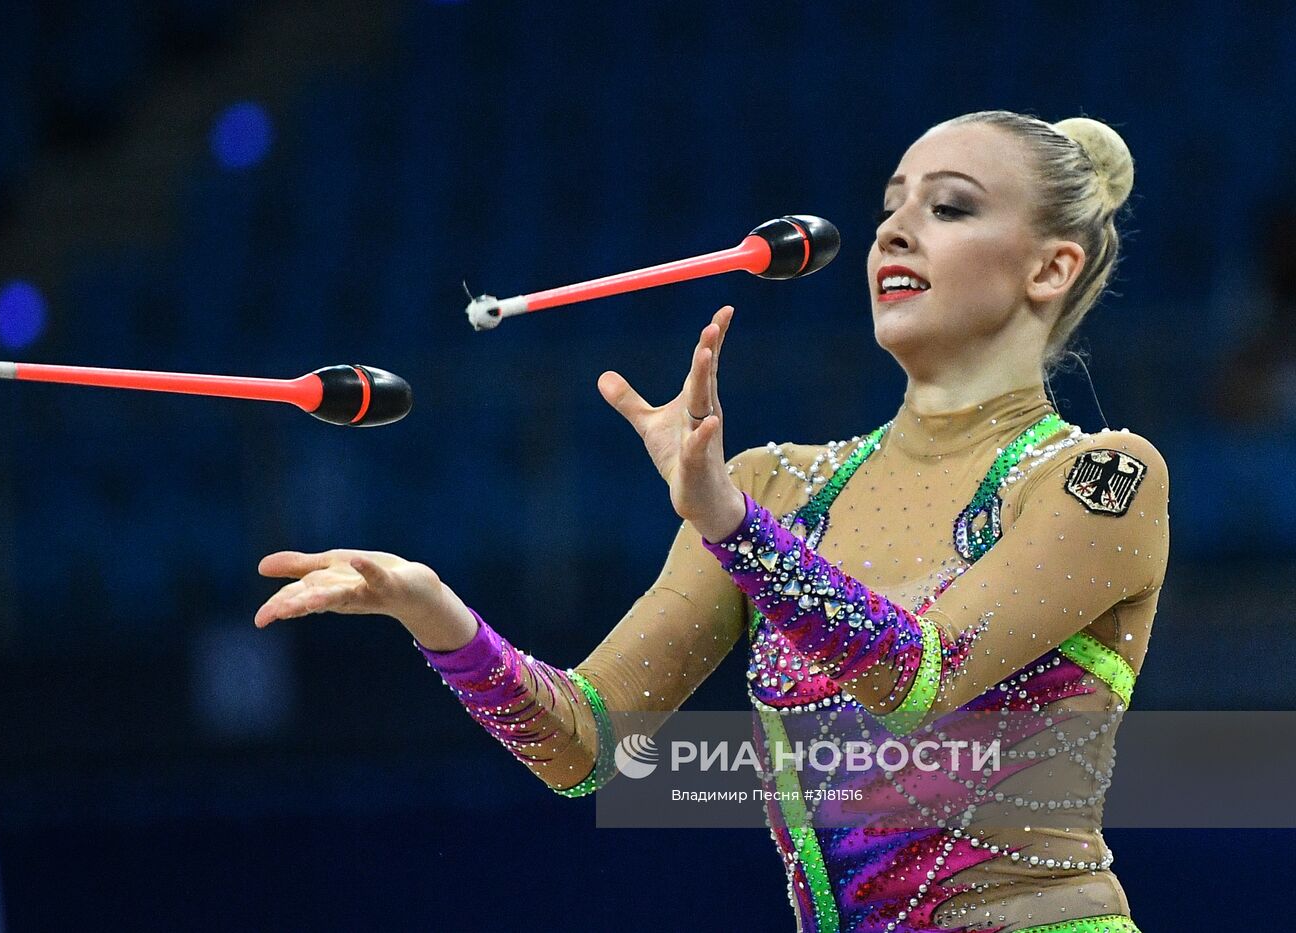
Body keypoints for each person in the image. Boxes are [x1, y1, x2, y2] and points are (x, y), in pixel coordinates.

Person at [253, 110, 1167, 933]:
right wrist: (439, 617)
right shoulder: (774, 486)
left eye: (950, 207)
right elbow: (586, 747)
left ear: (1051, 266)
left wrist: (735, 531)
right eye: (892, 206)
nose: (894, 230)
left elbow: (920, 674)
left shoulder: (1097, 478)